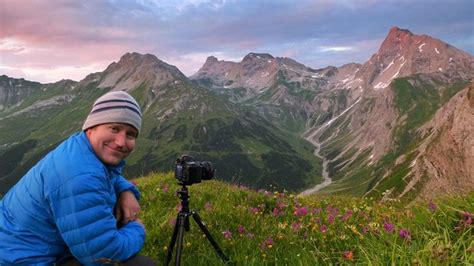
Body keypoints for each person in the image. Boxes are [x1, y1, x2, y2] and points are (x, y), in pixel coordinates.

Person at [0, 91, 156, 265]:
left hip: (18, 245)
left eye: (130, 134)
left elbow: (107, 172)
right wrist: (137, 228)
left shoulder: (80, 147)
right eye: (114, 128)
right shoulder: (80, 175)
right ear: (91, 128)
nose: (121, 141)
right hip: (23, 260)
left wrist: (126, 189)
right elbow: (101, 256)